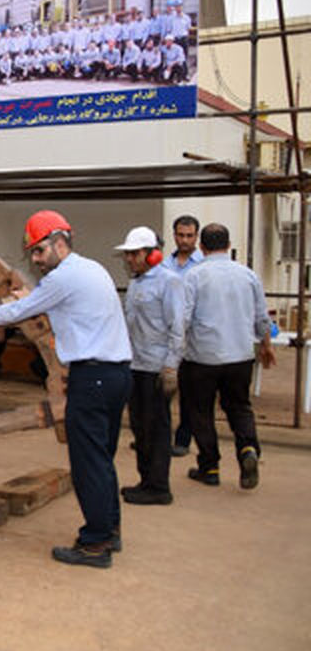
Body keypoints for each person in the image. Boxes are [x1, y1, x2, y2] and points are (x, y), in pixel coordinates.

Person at [0, 210, 131, 569]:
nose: (35, 258)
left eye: (39, 250)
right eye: (32, 252)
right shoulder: (91, 269)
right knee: (102, 460)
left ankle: (95, 545)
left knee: (88, 464)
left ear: (60, 243)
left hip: (91, 379)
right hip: (117, 376)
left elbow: (18, 312)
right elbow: (56, 304)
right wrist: (33, 295)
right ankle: (109, 531)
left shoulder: (62, 278)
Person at [181, 224, 277, 490]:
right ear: (228, 245)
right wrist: (266, 345)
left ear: (201, 247)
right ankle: (247, 448)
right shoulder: (248, 275)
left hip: (202, 358)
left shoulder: (194, 275)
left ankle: (209, 467)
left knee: (200, 411)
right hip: (240, 356)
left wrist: (176, 352)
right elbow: (261, 317)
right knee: (239, 406)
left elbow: (184, 319)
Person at [114, 227, 185, 505]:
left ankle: (159, 487)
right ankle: (146, 481)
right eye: (128, 254)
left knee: (156, 428)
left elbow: (178, 326)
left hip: (156, 367)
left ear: (152, 254)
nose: (129, 259)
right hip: (136, 364)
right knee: (140, 427)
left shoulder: (169, 282)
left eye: (134, 253)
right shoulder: (137, 283)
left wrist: (170, 367)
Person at [162, 215, 204, 456]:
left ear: (196, 237)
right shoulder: (165, 265)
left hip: (192, 338)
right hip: (167, 337)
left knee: (189, 394)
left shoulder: (202, 266)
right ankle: (160, 437)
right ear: (174, 235)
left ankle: (183, 440)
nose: (185, 240)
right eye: (180, 235)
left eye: (189, 236)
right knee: (162, 392)